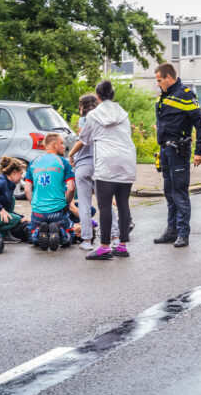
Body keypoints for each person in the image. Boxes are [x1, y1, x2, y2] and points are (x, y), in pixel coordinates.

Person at [69, 80, 136, 260]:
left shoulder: (93, 115)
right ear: (112, 95)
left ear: (98, 97)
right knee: (123, 204)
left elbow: (84, 139)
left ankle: (104, 247)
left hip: (106, 163)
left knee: (104, 205)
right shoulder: (123, 113)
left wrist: (70, 155)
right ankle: (122, 246)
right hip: (127, 160)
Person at [153, 63, 201, 248]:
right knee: (169, 192)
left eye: (160, 81)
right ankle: (171, 231)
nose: (158, 84)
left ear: (169, 77)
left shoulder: (186, 94)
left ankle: (183, 233)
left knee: (180, 193)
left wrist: (199, 151)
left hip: (179, 151)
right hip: (165, 150)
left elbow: (200, 124)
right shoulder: (165, 96)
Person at [69, 93, 119, 251]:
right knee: (105, 203)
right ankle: (116, 237)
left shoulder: (84, 120)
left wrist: (70, 155)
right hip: (100, 163)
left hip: (83, 165)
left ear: (83, 107)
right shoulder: (104, 120)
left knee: (84, 204)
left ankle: (87, 240)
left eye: (79, 105)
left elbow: (82, 141)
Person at [24, 133, 76, 251]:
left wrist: (35, 205)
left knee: (31, 237)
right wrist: (66, 204)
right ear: (54, 144)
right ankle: (60, 231)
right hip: (58, 212)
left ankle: (37, 232)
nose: (64, 147)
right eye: (62, 143)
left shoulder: (33, 163)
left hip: (38, 213)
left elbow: (27, 189)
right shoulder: (64, 163)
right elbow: (71, 188)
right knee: (70, 237)